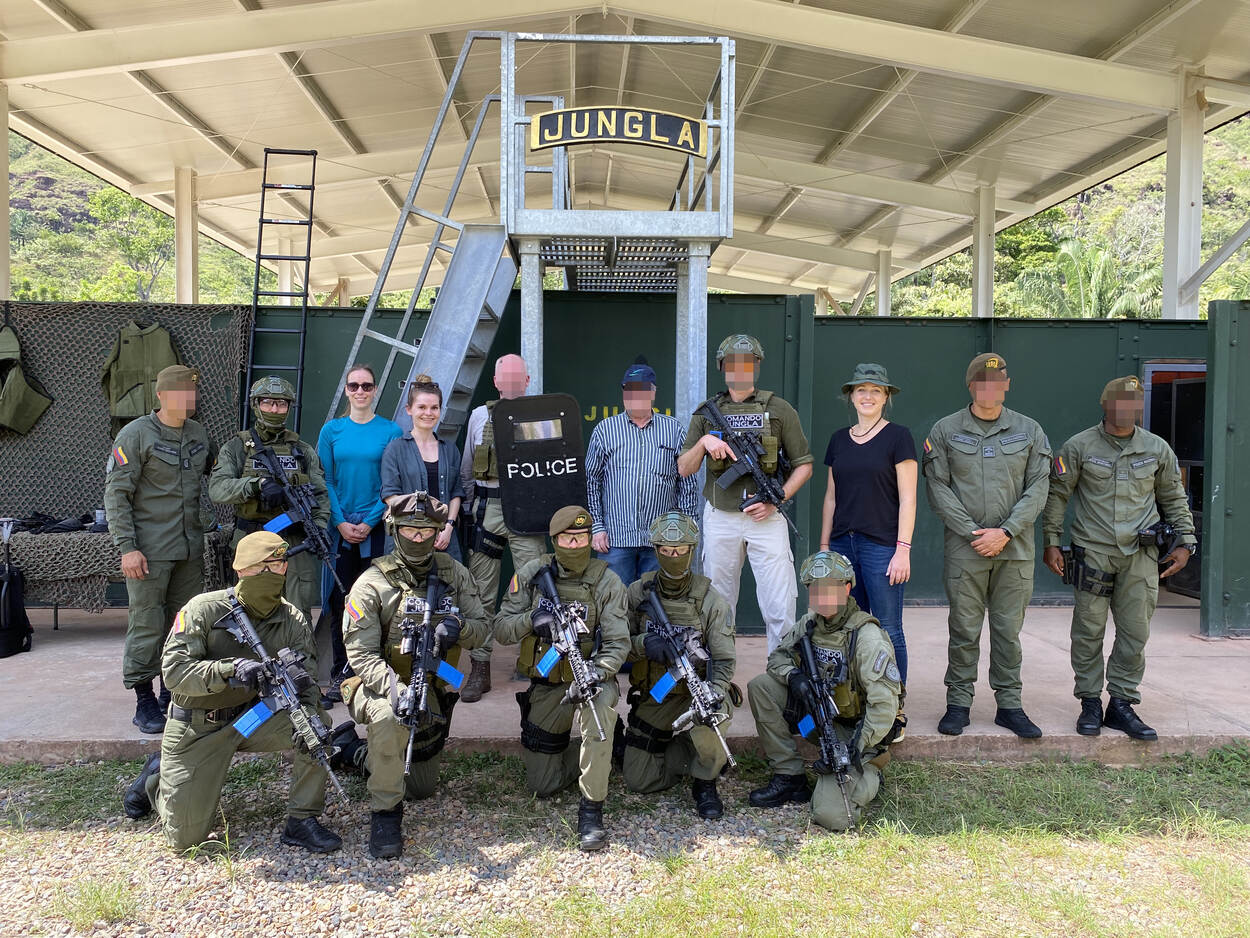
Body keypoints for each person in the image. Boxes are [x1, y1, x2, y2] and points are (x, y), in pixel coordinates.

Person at [121, 531, 342, 855]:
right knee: (185, 840)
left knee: (315, 726)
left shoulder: (292, 619)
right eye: (259, 568)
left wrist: (307, 713)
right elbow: (174, 673)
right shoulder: (203, 610)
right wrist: (227, 670)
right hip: (198, 725)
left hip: (253, 719)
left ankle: (301, 820)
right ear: (240, 571)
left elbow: (306, 681)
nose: (269, 574)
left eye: (277, 565)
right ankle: (156, 778)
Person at [1042, 376, 1197, 740]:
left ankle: (1122, 704)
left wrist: (1185, 542)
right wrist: (1051, 542)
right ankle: (1090, 702)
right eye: (1120, 403)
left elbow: (1174, 497)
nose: (1127, 410)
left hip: (1140, 556)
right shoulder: (1079, 446)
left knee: (1135, 632)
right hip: (1093, 552)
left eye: (1134, 403)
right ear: (1105, 404)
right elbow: (1057, 497)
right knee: (1088, 631)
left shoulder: (1157, 449)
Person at [336, 492, 489, 858]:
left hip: (430, 683)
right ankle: (385, 814)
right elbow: (360, 654)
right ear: (393, 530)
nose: (417, 539)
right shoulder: (373, 583)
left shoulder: (454, 573)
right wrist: (395, 689)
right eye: (409, 530)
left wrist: (458, 627)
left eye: (425, 532)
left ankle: (352, 752)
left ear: (437, 531)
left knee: (420, 786)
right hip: (377, 684)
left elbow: (484, 629)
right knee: (391, 719)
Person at [922, 353, 1051, 739]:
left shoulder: (1029, 430)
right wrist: (974, 533)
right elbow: (938, 487)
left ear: (1006, 384)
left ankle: (1009, 705)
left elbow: (1039, 487)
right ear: (970, 385)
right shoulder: (945, 430)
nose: (989, 387)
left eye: (997, 380)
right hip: (967, 550)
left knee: (1008, 631)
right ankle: (958, 704)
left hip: (1015, 549)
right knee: (963, 629)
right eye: (982, 381)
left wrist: (1006, 532)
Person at [494, 505, 630, 852]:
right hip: (549, 682)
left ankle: (591, 810)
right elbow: (501, 630)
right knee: (543, 783)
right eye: (567, 539)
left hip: (592, 680)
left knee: (598, 717)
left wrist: (596, 673)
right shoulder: (531, 573)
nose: (575, 545)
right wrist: (532, 618)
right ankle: (601, 752)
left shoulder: (607, 580)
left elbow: (617, 644)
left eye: (581, 537)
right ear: (554, 541)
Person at [677, 334, 813, 653]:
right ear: (723, 368)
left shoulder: (779, 410)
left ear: (757, 366)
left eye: (747, 363)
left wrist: (776, 499)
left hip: (767, 517)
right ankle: (720, 676)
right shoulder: (706, 413)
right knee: (719, 603)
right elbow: (684, 467)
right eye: (733, 364)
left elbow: (804, 464)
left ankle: (780, 679)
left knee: (780, 604)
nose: (740, 370)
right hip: (721, 518)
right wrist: (703, 443)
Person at [746, 550, 900, 831]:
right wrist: (794, 676)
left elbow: (884, 706)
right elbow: (777, 658)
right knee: (761, 688)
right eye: (816, 590)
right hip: (816, 720)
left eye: (831, 589)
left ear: (847, 588)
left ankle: (870, 771)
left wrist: (854, 749)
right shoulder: (809, 623)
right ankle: (789, 775)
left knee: (832, 817)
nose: (823, 597)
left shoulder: (866, 637)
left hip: (854, 732)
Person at [104, 364, 216, 735]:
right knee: (147, 624)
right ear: (163, 395)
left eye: (192, 394)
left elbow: (217, 474)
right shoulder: (135, 435)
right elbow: (117, 495)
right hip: (148, 552)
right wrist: (127, 547)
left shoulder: (199, 433)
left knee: (182, 625)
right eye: (182, 393)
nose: (190, 400)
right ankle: (144, 698)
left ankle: (173, 692)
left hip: (189, 550)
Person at [819, 363, 916, 738]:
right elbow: (830, 497)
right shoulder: (839, 440)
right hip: (843, 545)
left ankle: (895, 708)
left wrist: (902, 549)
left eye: (876, 390)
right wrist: (826, 547)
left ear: (886, 397)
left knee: (889, 628)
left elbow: (908, 500)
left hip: (882, 547)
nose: (868, 396)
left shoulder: (899, 437)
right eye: (861, 389)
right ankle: (856, 700)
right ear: (851, 396)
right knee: (847, 628)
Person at [622, 512, 735, 819]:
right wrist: (644, 644)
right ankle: (690, 752)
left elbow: (724, 660)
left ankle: (705, 780)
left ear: (692, 550)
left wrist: (714, 691)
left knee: (715, 715)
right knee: (638, 779)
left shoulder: (711, 601)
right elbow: (617, 644)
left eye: (681, 550)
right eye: (666, 551)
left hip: (695, 692)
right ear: (656, 550)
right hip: (657, 694)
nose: (673, 557)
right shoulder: (637, 592)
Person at [458, 354, 547, 702]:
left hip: (526, 507)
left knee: (534, 586)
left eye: (517, 379)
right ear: (496, 382)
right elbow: (468, 467)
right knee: (481, 590)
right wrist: (468, 509)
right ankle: (480, 667)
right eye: (504, 379)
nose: (510, 384)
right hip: (487, 506)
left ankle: (534, 663)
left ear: (526, 382)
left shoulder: (540, 415)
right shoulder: (480, 417)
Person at [209, 376, 331, 628]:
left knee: (298, 613)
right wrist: (256, 485)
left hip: (294, 541)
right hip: (251, 538)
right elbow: (218, 489)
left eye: (281, 404)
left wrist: (317, 527)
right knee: (250, 609)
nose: (274, 410)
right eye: (268, 403)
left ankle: (301, 664)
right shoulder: (237, 448)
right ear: (256, 405)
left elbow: (320, 494)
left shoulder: (303, 450)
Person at [315, 364, 402, 704]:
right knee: (341, 603)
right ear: (347, 390)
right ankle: (341, 673)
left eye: (367, 385)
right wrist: (339, 522)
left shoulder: (391, 431)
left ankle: (374, 675)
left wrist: (369, 521)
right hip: (340, 532)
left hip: (376, 529)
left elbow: (390, 484)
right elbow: (326, 481)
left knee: (377, 604)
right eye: (354, 385)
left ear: (375, 390)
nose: (361, 391)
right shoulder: (331, 431)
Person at [585, 360, 699, 587]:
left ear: (653, 393)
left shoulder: (673, 429)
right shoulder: (604, 430)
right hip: (616, 539)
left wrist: (686, 529)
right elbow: (591, 481)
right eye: (629, 389)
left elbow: (687, 482)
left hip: (662, 539)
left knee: (655, 606)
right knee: (615, 604)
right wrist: (596, 527)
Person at [380, 374, 465, 563]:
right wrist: (424, 529)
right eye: (422, 407)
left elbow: (456, 493)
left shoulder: (450, 449)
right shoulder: (395, 449)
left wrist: (448, 527)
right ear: (409, 409)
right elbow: (390, 496)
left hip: (444, 540)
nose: (428, 413)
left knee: (448, 589)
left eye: (434, 407)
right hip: (407, 540)